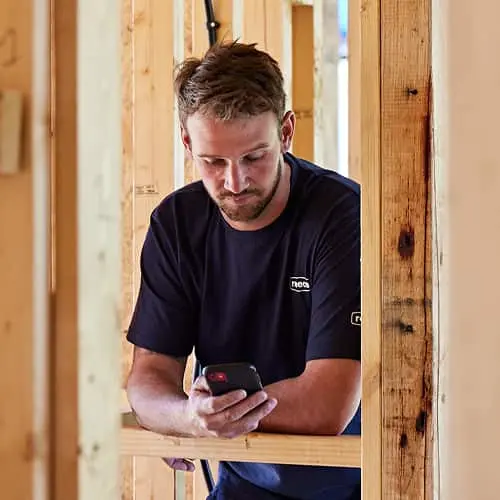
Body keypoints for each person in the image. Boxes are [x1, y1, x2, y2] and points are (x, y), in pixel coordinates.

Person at [125, 41, 361, 500]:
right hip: (245, 479)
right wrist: (187, 418)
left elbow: (326, 404)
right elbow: (148, 377)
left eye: (254, 157)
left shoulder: (341, 216)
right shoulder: (177, 224)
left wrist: (208, 417)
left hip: (350, 481)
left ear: (287, 132)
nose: (234, 183)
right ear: (187, 141)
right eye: (213, 162)